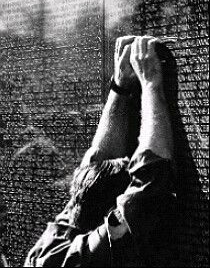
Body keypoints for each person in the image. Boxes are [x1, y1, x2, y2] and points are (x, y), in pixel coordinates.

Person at [24, 35, 177, 267]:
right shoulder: (87, 260)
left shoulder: (46, 253)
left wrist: (120, 87)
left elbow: (91, 174)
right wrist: (151, 84)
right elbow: (147, 185)